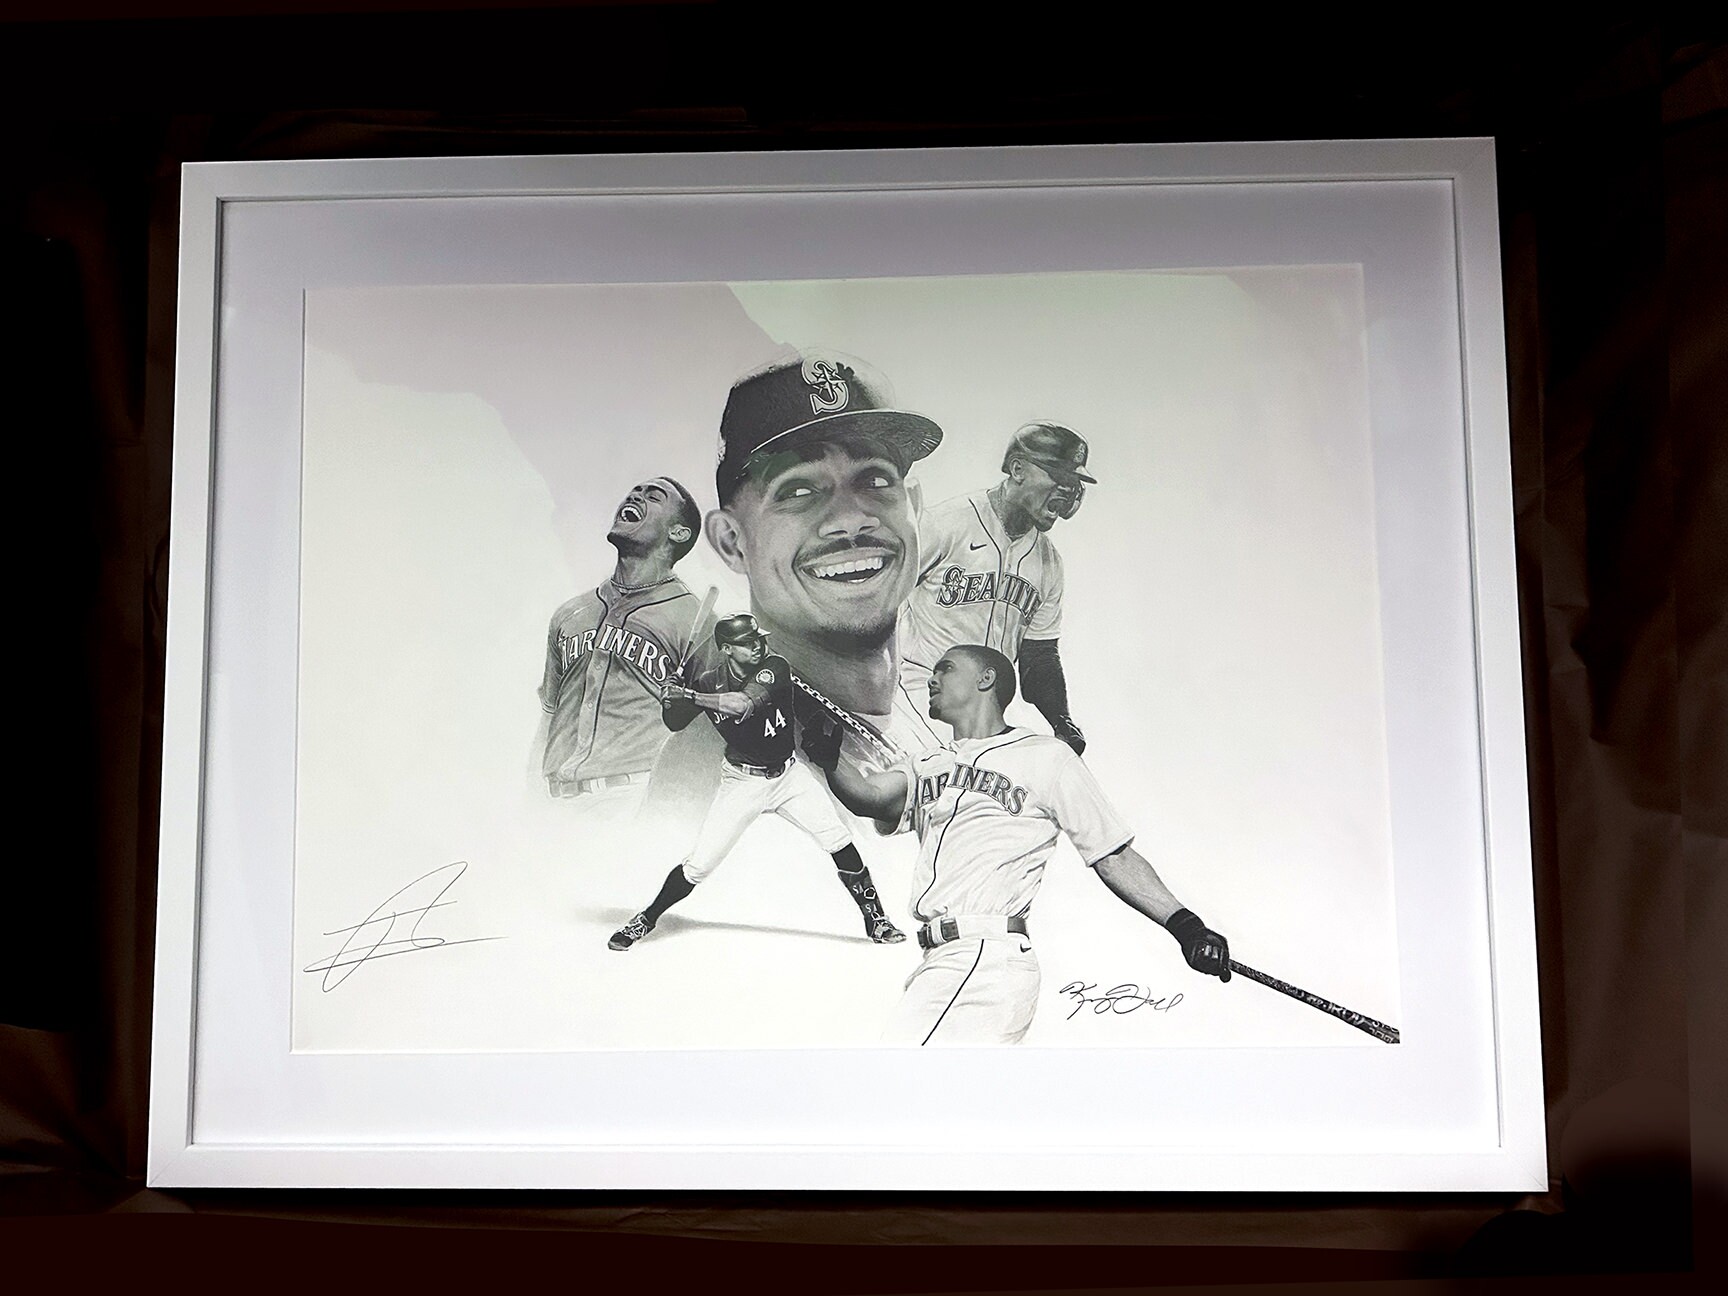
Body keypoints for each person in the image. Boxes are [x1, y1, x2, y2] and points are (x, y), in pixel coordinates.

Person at [806, 643, 1230, 1045]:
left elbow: (1112, 853)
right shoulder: (928, 763)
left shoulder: (1046, 756)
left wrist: (1186, 926)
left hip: (985, 955)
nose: (931, 680)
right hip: (945, 960)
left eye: (945, 669)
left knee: (895, 1074)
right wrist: (829, 760)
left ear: (986, 679)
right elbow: (870, 796)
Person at [699, 348, 947, 765]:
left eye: (875, 479)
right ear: (732, 541)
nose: (851, 519)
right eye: (798, 490)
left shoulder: (933, 721)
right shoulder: (725, 754)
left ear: (916, 508)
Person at [607, 613, 905, 950]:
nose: (758, 646)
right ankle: (645, 919)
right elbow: (674, 722)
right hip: (742, 782)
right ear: (727, 649)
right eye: (747, 643)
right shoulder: (707, 683)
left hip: (789, 777)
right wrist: (670, 696)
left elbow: (742, 705)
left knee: (839, 841)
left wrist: (688, 695)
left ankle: (877, 920)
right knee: (699, 866)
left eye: (758, 639)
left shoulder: (773, 667)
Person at [897, 422, 1095, 754]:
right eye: (1058, 476)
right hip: (920, 691)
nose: (1067, 490)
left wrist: (1061, 720)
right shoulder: (946, 524)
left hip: (987, 709)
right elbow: (879, 599)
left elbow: (1038, 656)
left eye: (1073, 482)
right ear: (1018, 470)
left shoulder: (1048, 563)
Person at [536, 475, 707, 807]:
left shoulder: (696, 620)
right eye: (634, 491)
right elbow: (548, 717)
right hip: (553, 805)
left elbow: (712, 731)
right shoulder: (570, 614)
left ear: (678, 532)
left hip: (630, 801)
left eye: (653, 496)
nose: (636, 496)